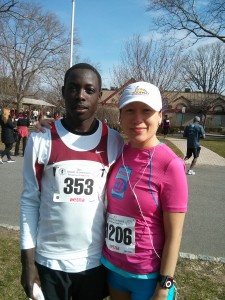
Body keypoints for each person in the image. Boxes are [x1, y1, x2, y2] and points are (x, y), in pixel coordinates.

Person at [20, 63, 124, 300]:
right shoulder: (41, 140)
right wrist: (27, 262)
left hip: (95, 264)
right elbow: (29, 202)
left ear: (99, 96)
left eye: (89, 90)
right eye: (73, 88)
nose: (80, 96)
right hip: (49, 263)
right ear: (63, 91)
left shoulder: (114, 142)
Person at [101, 82, 188, 300]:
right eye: (130, 110)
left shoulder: (170, 165)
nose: (137, 119)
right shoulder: (116, 151)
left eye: (146, 110)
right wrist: (48, 127)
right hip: (114, 270)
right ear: (120, 116)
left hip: (148, 278)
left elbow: (174, 234)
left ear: (160, 116)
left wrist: (164, 285)